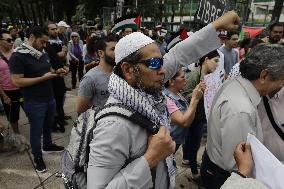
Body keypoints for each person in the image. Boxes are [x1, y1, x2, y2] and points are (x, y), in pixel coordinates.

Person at [87, 11, 240, 188]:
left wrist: (217, 26)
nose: (162, 70)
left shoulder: (144, 80)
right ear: (128, 70)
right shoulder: (113, 125)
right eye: (154, 63)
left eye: (161, 62)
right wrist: (150, 158)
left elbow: (179, 54)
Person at [201, 44, 284, 189]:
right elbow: (236, 164)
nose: (282, 84)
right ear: (264, 76)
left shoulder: (235, 83)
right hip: (224, 177)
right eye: (282, 79)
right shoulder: (241, 110)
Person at [9, 26, 65, 173]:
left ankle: (47, 145)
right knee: (36, 131)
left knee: (48, 125)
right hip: (34, 101)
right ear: (32, 37)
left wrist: (56, 72)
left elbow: (47, 70)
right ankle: (38, 157)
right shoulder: (18, 56)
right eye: (42, 41)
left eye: (46, 42)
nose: (44, 45)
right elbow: (17, 81)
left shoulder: (41, 52)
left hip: (49, 97)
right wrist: (42, 78)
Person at [181, 50, 220, 180]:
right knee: (195, 144)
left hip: (202, 116)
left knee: (192, 142)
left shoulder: (211, 76)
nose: (217, 65)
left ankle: (188, 160)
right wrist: (197, 93)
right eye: (215, 61)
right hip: (194, 117)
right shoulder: (193, 76)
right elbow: (183, 97)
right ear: (206, 59)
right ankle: (194, 172)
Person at [164, 68, 204, 153]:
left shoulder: (177, 94)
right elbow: (184, 122)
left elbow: (188, 114)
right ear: (171, 81)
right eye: (182, 77)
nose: (185, 80)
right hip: (168, 143)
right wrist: (195, 99)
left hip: (176, 140)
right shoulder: (166, 99)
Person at [77, 35, 117, 114]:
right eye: (113, 49)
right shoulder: (89, 78)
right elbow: (81, 110)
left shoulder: (119, 73)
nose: (117, 52)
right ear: (101, 53)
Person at [45, 22, 69, 133]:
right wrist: (61, 54)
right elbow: (53, 57)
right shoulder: (47, 44)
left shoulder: (59, 39)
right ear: (47, 31)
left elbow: (60, 56)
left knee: (61, 97)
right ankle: (54, 123)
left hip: (60, 73)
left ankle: (60, 117)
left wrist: (64, 66)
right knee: (55, 100)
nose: (55, 31)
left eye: (56, 29)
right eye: (52, 29)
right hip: (52, 75)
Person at [0, 30, 24, 134]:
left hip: (22, 89)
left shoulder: (17, 53)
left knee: (31, 110)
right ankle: (17, 136)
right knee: (13, 117)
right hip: (8, 91)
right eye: (9, 40)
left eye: (12, 40)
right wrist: (4, 96)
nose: (11, 42)